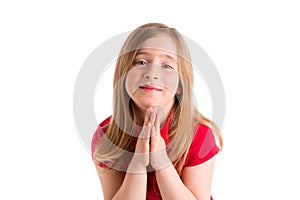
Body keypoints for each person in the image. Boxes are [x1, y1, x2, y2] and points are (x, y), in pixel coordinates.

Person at [91, 23, 223, 200]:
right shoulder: (107, 135)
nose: (152, 73)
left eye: (167, 66)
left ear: (180, 85)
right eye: (141, 62)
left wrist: (161, 163)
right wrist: (137, 164)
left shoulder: (199, 135)